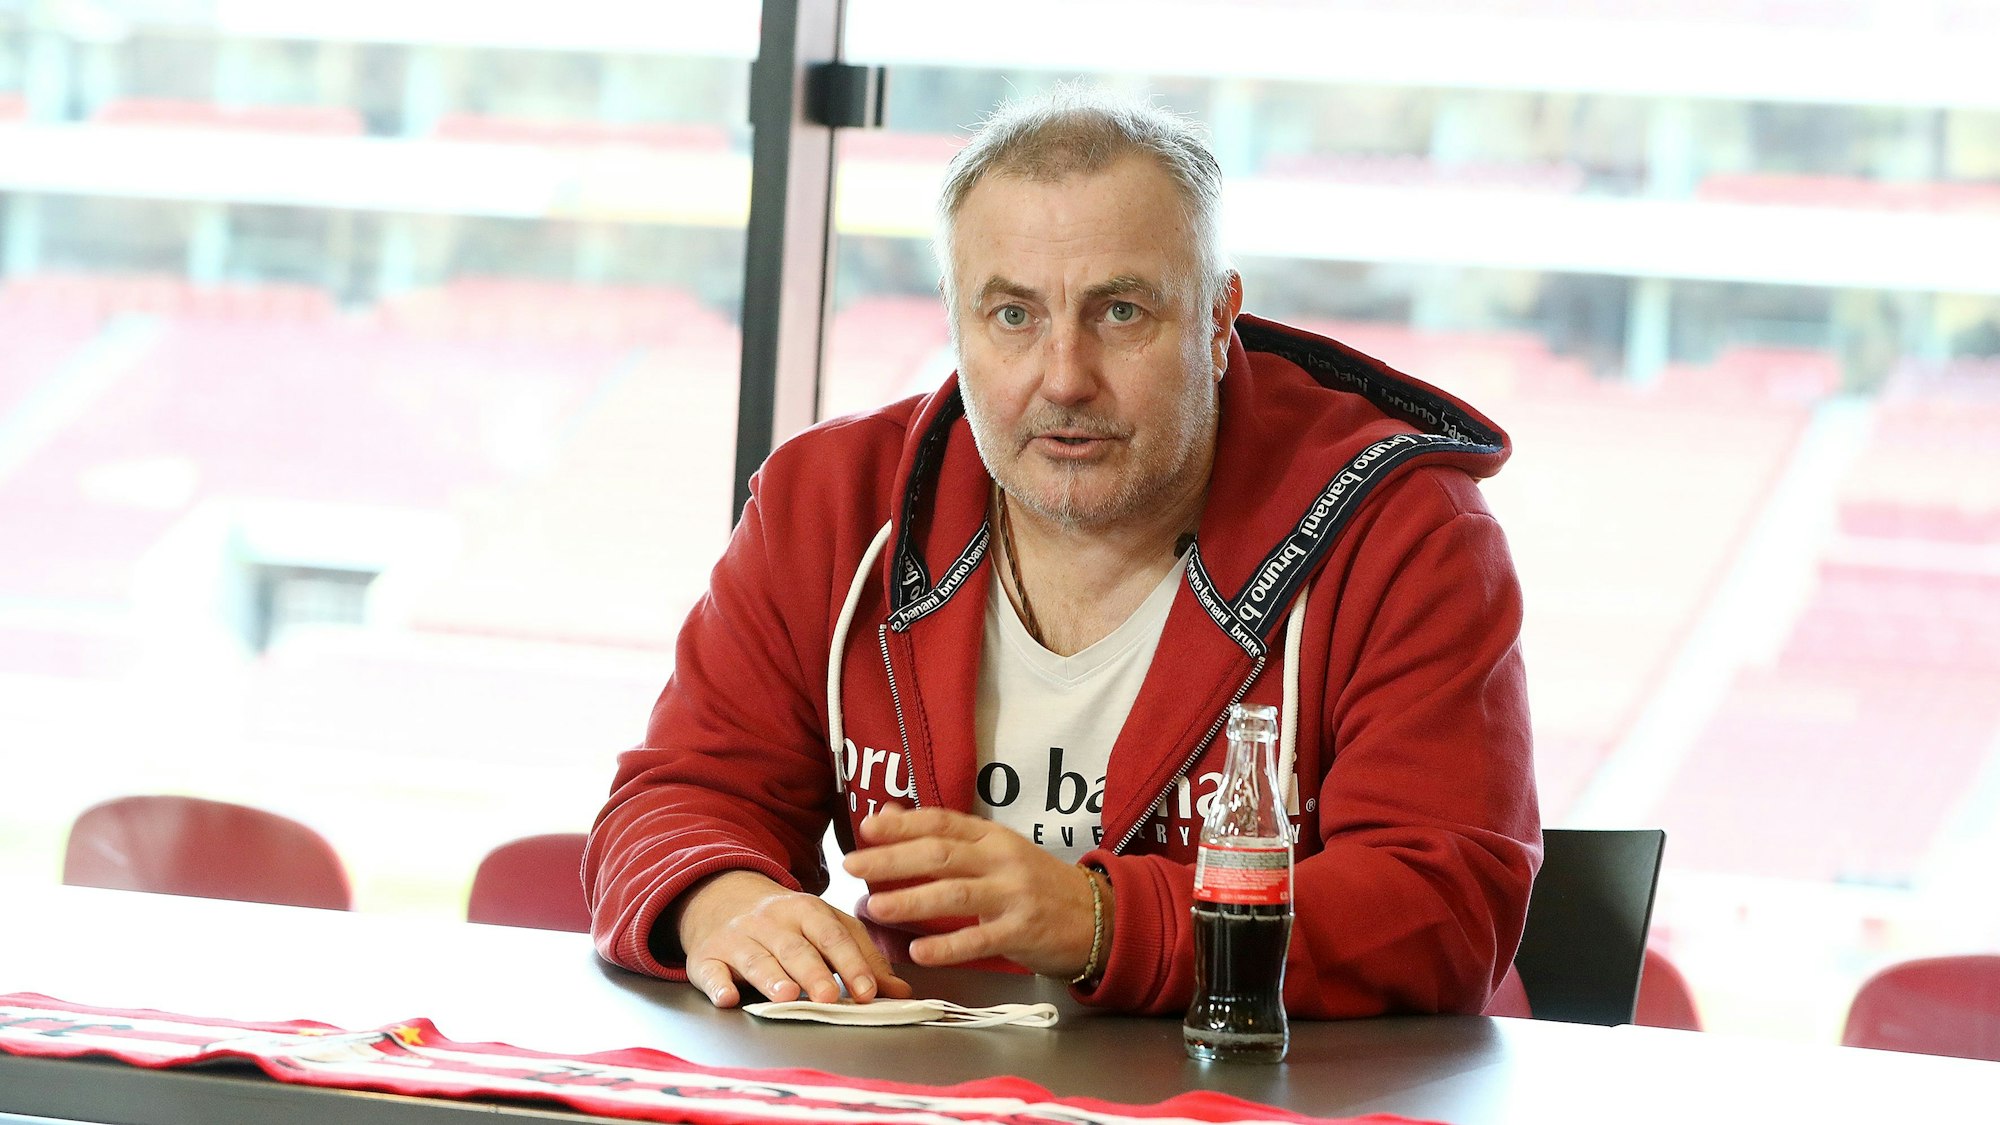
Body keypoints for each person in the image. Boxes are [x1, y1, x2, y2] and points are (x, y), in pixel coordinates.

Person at [584, 86, 1540, 1019]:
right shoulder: (826, 505)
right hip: (932, 1090)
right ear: (956, 324)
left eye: (1120, 311)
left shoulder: (1406, 531)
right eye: (1013, 316)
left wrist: (1101, 923)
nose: (1065, 377)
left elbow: (1443, 904)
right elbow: (676, 800)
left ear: (1216, 320)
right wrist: (721, 900)